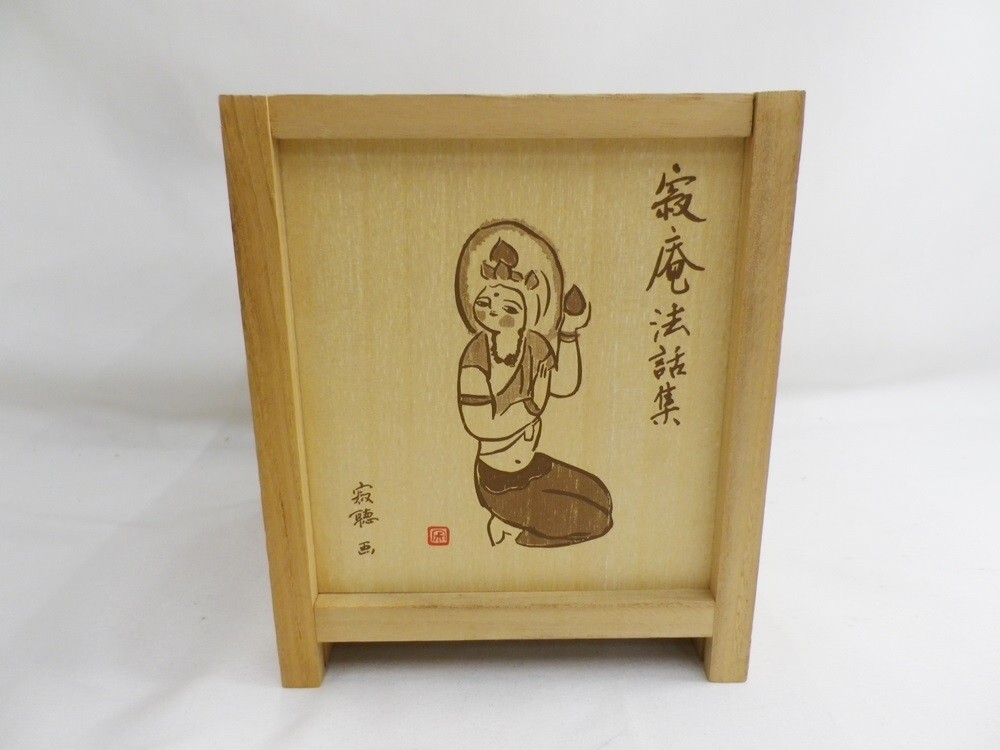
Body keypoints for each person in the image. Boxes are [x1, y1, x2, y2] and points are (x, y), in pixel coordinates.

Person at [455, 220, 613, 547]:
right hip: (500, 482)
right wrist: (530, 406)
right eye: (485, 303)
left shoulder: (535, 345)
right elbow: (479, 424)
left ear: (531, 310)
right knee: (595, 520)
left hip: (531, 466)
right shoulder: (477, 356)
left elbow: (564, 386)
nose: (494, 312)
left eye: (509, 307)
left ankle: (516, 522)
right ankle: (515, 529)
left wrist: (569, 333)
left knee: (601, 499)